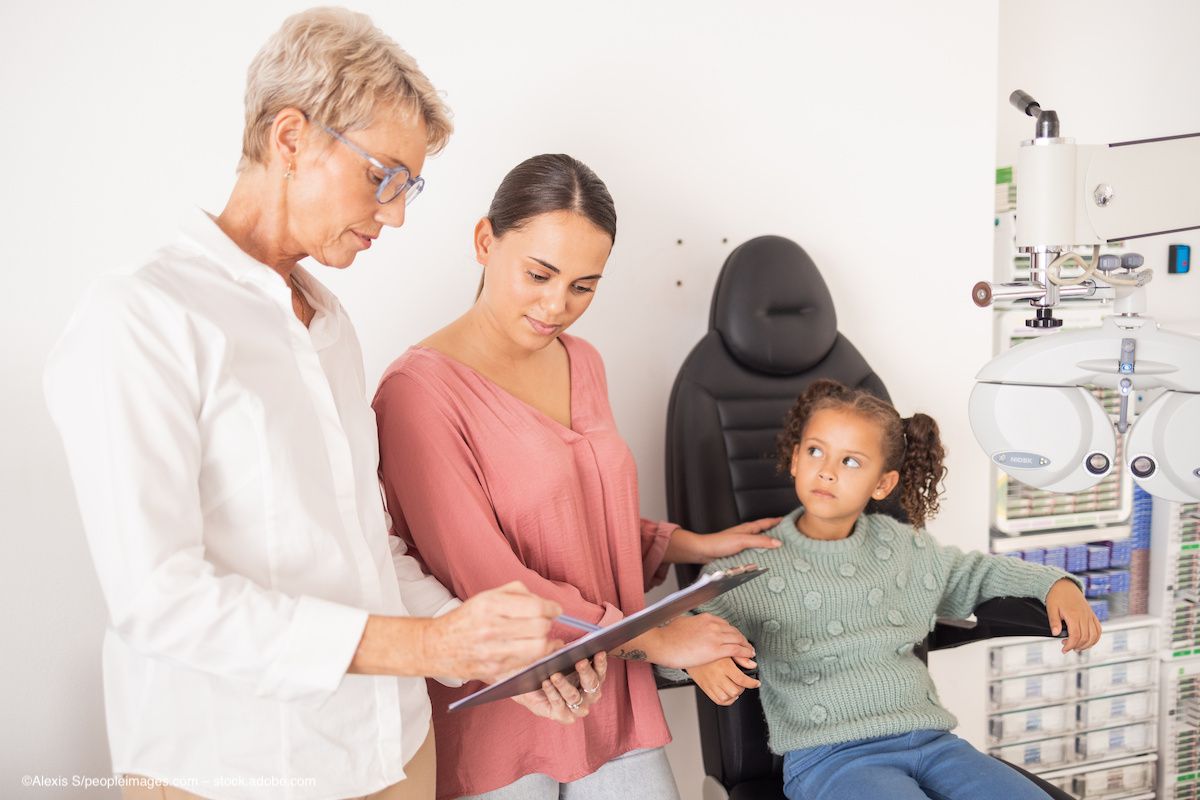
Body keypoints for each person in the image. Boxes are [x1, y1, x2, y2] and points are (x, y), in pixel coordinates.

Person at [43, 10, 581, 800]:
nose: (396, 213)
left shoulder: (328, 325)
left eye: (410, 186)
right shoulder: (142, 317)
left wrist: (484, 643)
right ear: (289, 138)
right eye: (382, 176)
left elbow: (368, 552)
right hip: (237, 768)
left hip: (390, 752)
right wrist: (431, 645)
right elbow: (160, 599)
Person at [372, 153, 783, 799]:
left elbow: (582, 517)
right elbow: (482, 575)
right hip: (510, 707)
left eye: (584, 286)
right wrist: (657, 637)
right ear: (485, 242)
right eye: (539, 274)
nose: (557, 305)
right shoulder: (417, 393)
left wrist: (693, 545)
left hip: (611, 695)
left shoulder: (581, 360)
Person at [663, 378, 1103, 800]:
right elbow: (678, 629)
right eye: (816, 452)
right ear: (795, 459)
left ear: (883, 484)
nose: (828, 472)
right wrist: (696, 659)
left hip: (933, 743)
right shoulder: (752, 567)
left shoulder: (903, 546)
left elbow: (975, 574)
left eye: (850, 461)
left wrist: (1054, 584)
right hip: (831, 758)